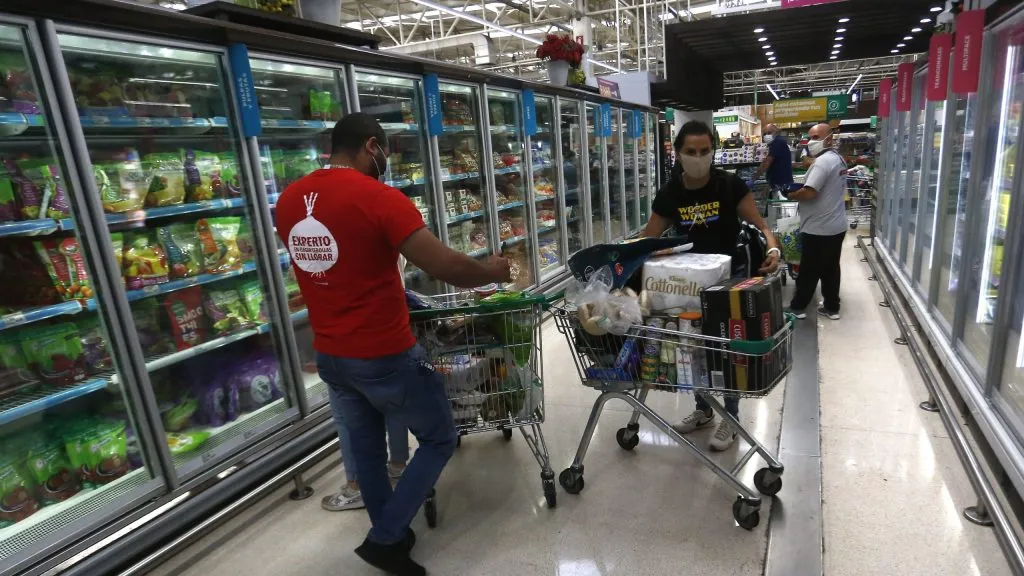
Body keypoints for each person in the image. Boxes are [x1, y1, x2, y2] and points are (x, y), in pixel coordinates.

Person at [276, 112, 511, 576]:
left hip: (331, 353)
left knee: (367, 451)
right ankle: (385, 539)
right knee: (439, 435)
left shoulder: (288, 200)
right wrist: (492, 272)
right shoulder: (380, 198)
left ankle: (392, 532)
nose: (385, 160)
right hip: (382, 350)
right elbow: (443, 265)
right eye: (384, 151)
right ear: (370, 146)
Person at [641, 120, 781, 451]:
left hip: (730, 283)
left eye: (705, 151)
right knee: (695, 348)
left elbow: (761, 225)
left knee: (727, 350)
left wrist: (773, 247)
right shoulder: (671, 193)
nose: (698, 157)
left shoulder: (729, 186)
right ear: (677, 153)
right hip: (687, 284)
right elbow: (648, 237)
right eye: (691, 151)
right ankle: (703, 410)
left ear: (713, 151)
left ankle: (730, 417)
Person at [783, 122, 848, 320]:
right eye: (810, 137)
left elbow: (810, 192)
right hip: (836, 225)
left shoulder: (822, 163)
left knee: (809, 270)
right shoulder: (838, 159)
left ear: (829, 138)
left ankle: (797, 308)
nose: (811, 142)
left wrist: (791, 194)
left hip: (819, 227)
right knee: (830, 268)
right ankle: (831, 307)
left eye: (816, 137)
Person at [753, 123, 794, 198]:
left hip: (781, 184)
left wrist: (753, 179)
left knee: (781, 205)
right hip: (778, 182)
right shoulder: (773, 143)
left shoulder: (778, 142)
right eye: (764, 134)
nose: (766, 136)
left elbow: (766, 162)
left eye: (769, 133)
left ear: (777, 132)